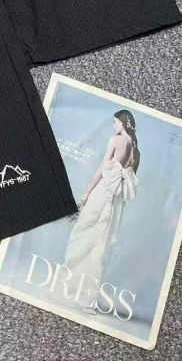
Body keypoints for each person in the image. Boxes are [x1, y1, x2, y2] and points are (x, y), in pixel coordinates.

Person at [63, 110, 140, 312]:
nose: (114, 126)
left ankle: (76, 289)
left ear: (123, 123)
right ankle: (87, 297)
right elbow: (128, 178)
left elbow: (101, 169)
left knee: (82, 234)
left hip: (104, 191)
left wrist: (86, 193)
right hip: (117, 200)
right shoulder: (136, 149)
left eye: (115, 123)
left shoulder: (115, 141)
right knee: (101, 244)